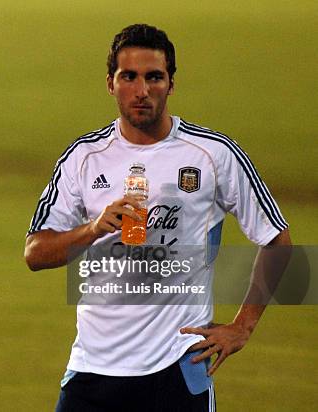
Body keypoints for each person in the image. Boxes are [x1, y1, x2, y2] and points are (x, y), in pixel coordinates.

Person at [24, 24, 291, 411]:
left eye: (154, 77)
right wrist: (94, 228)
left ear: (171, 84)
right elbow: (35, 253)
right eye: (128, 77)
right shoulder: (83, 158)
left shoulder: (211, 155)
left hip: (178, 366)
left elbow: (277, 240)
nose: (142, 90)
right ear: (110, 84)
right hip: (93, 368)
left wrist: (242, 326)